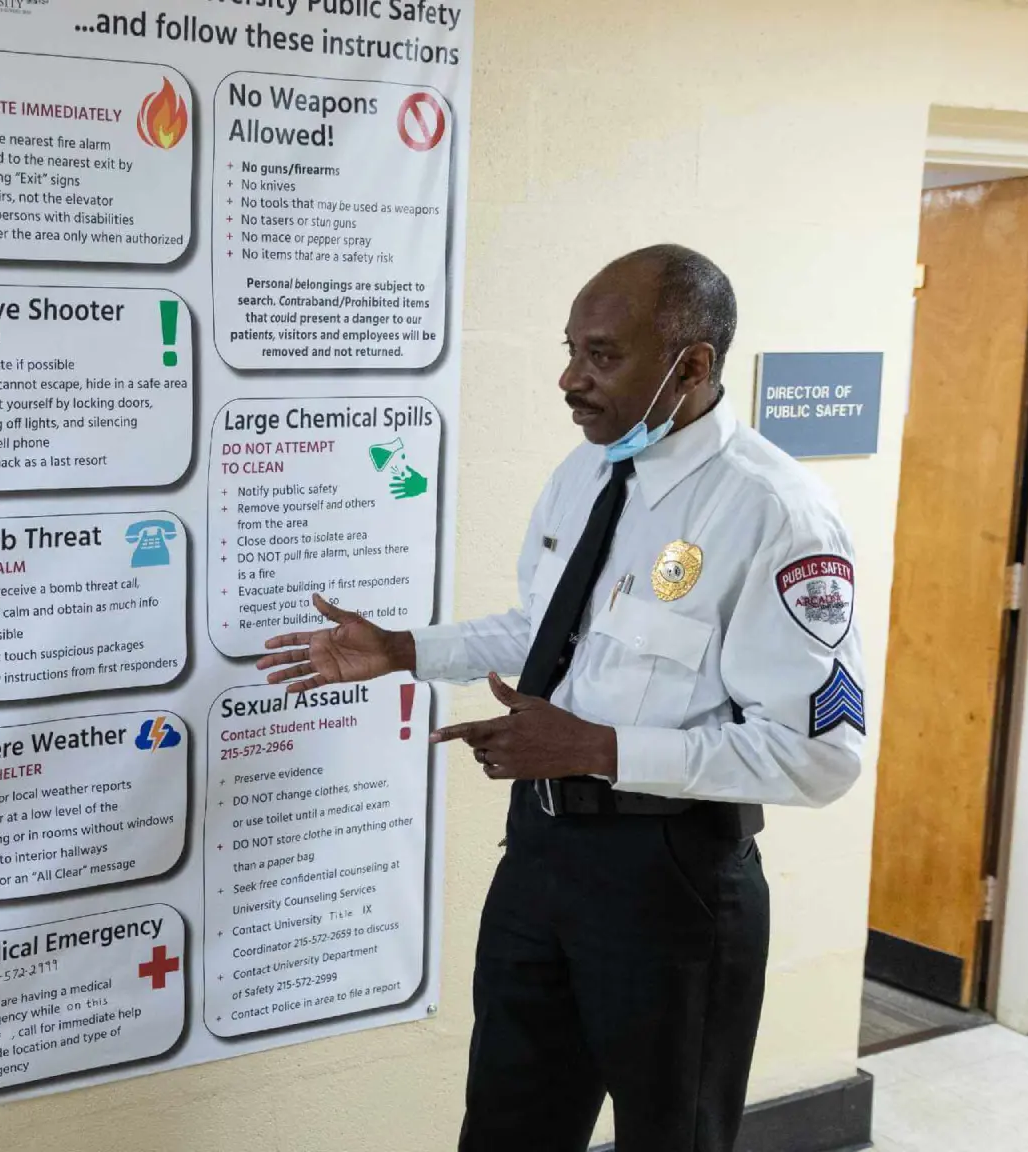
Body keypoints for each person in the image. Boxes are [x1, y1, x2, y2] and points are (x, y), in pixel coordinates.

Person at [259, 246, 865, 1151]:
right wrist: (404, 649)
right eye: (570, 348)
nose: (569, 379)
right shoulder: (587, 470)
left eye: (603, 356)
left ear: (692, 365)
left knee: (674, 1136)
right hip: (542, 856)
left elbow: (820, 758)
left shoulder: (778, 515)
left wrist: (601, 749)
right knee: (509, 1124)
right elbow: (544, 628)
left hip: (674, 880)